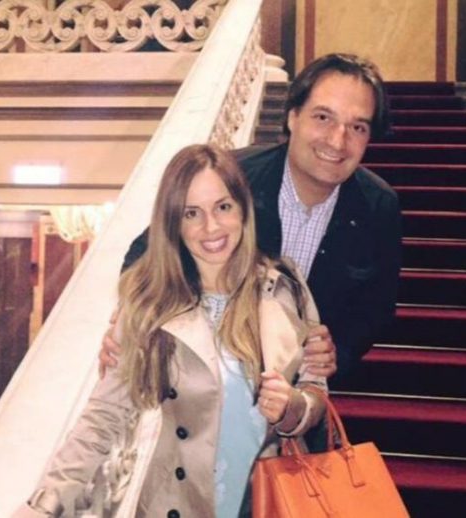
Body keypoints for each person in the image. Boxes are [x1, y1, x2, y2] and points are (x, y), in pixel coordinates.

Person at [21, 145, 326, 517]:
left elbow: (315, 388)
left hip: (265, 502)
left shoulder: (284, 288)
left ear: (242, 208)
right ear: (173, 223)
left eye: (223, 207)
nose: (211, 227)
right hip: (176, 504)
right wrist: (46, 503)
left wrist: (294, 408)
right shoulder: (149, 304)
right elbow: (104, 416)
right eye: (191, 213)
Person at [104, 53, 402, 384]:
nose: (337, 140)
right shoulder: (231, 179)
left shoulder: (379, 206)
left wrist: (338, 352)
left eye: (357, 127)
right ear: (292, 116)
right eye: (323, 117)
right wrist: (133, 322)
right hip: (207, 380)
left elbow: (376, 309)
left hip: (298, 395)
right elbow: (148, 252)